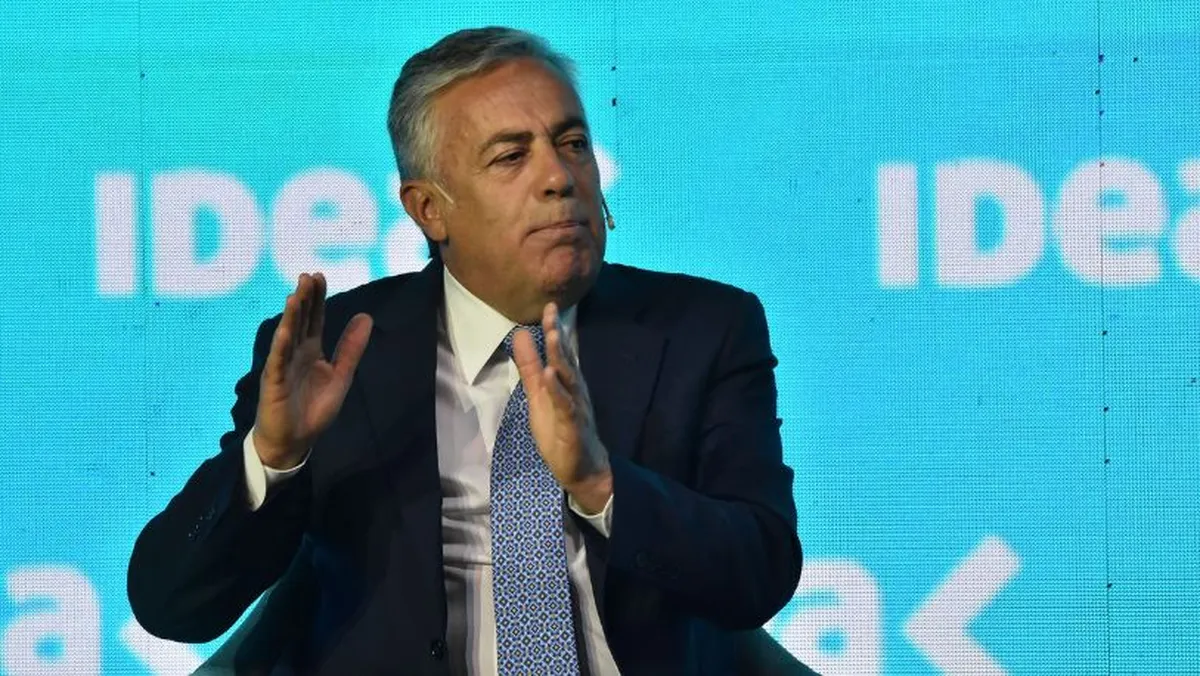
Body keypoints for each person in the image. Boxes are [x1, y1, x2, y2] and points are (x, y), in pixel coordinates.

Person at [127, 26, 802, 675]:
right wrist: (274, 456)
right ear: (429, 209)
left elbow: (761, 572)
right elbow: (172, 606)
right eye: (511, 157)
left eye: (572, 143)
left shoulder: (702, 330)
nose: (559, 177)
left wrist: (601, 484)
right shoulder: (336, 351)